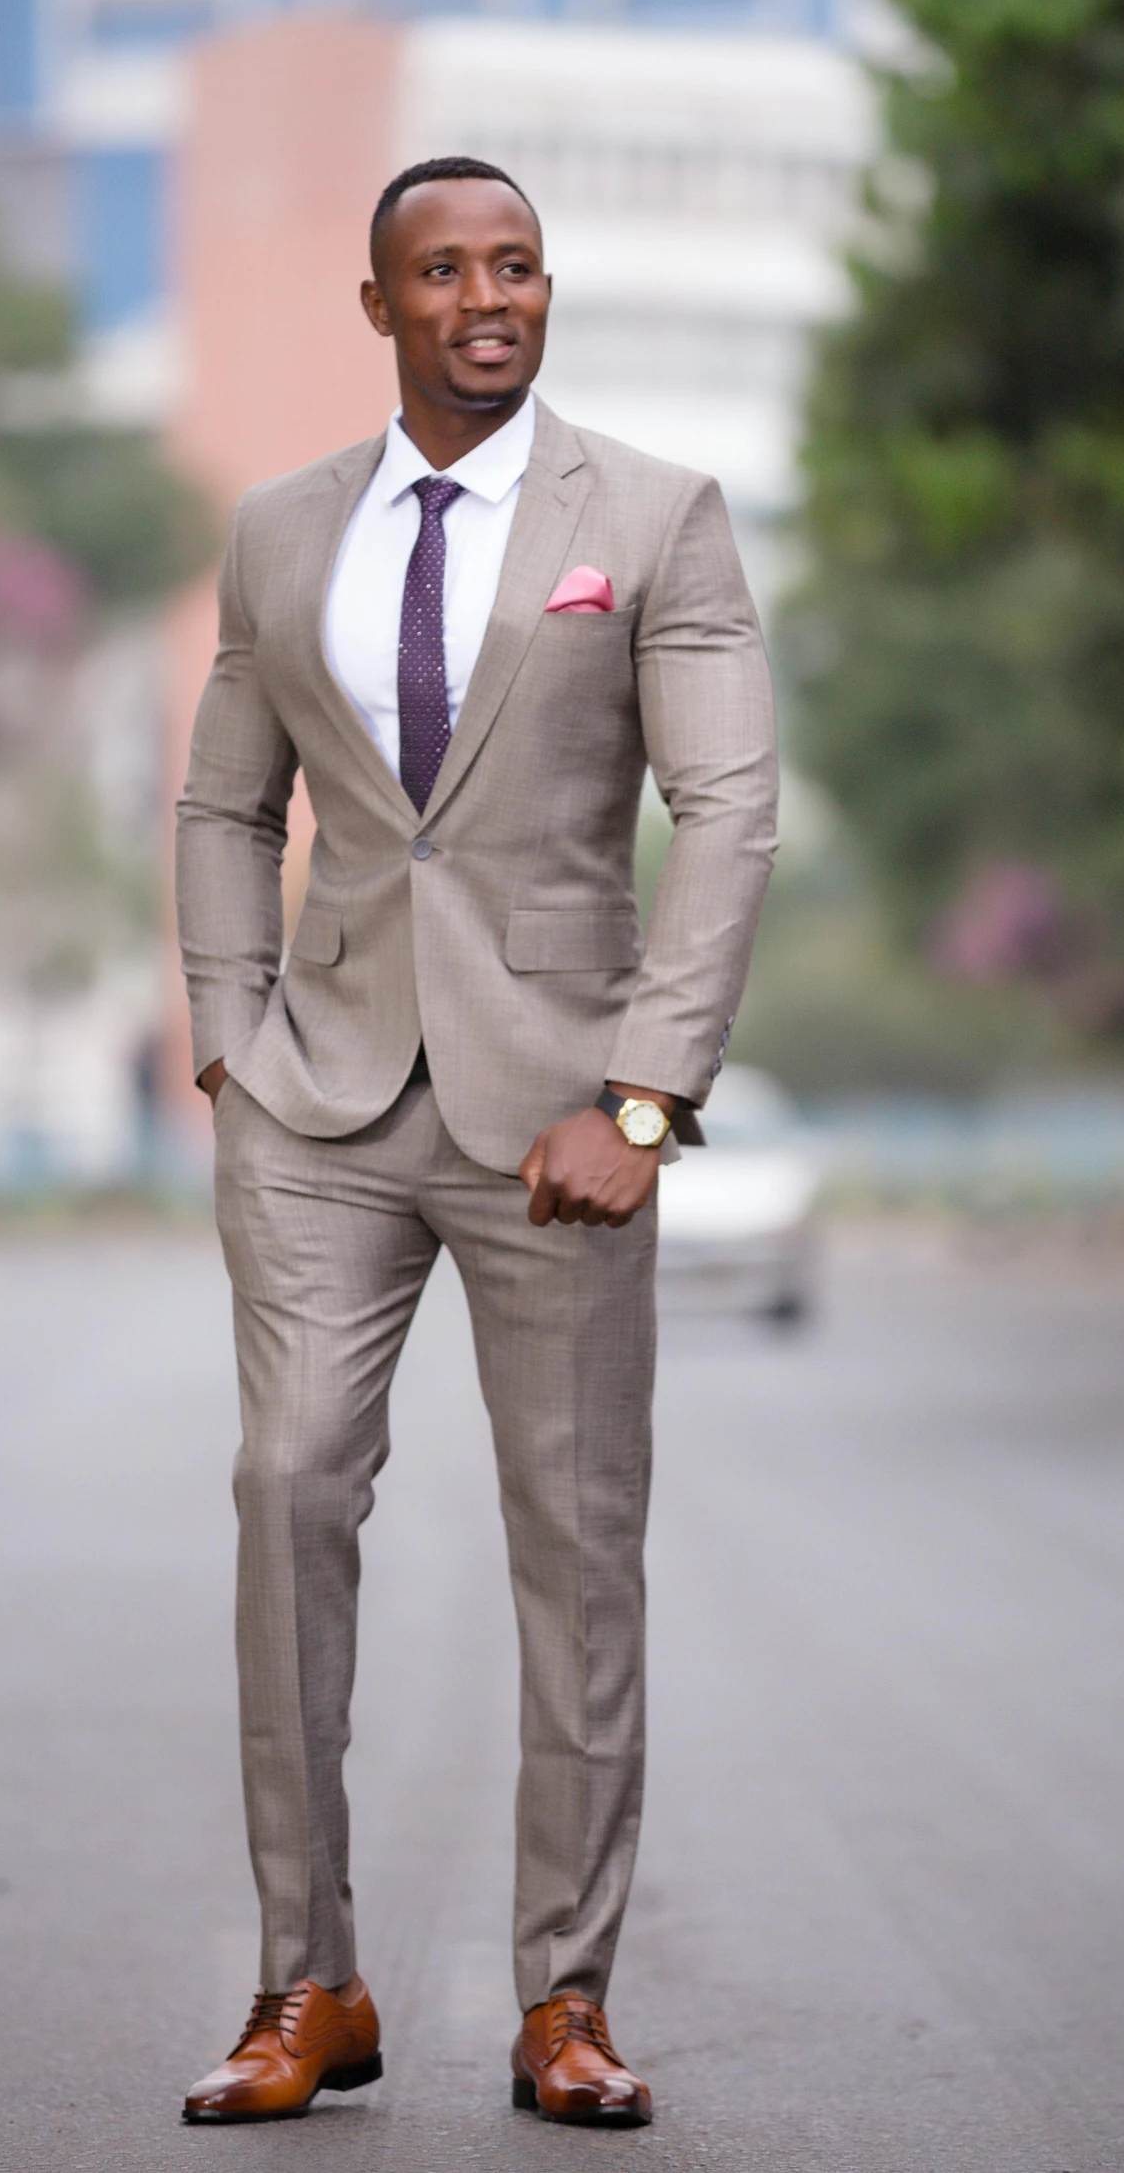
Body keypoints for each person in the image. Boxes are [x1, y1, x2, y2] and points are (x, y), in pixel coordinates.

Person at [175, 155, 777, 2127]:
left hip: (559, 1117)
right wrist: (228, 1027)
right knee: (283, 1490)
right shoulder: (278, 533)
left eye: (518, 263)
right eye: (444, 269)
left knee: (577, 1548)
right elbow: (220, 803)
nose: (488, 295)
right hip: (322, 1093)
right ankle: (305, 1977)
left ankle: (564, 1994)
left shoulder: (659, 517)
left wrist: (643, 1094)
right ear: (384, 309)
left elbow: (729, 813)